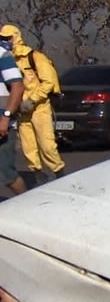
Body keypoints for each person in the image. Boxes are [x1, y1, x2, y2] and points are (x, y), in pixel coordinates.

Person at [0, 24, 65, 184]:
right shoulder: (8, 58)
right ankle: (37, 176)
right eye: (2, 38)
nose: (6, 41)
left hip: (39, 108)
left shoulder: (34, 57)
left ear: (16, 37)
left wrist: (33, 99)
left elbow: (49, 82)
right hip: (21, 110)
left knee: (47, 146)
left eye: (8, 38)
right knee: (28, 148)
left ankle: (60, 174)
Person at [0, 34, 27, 195]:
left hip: (2, 123)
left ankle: (28, 205)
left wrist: (5, 117)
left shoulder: (2, 55)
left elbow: (17, 86)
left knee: (6, 174)